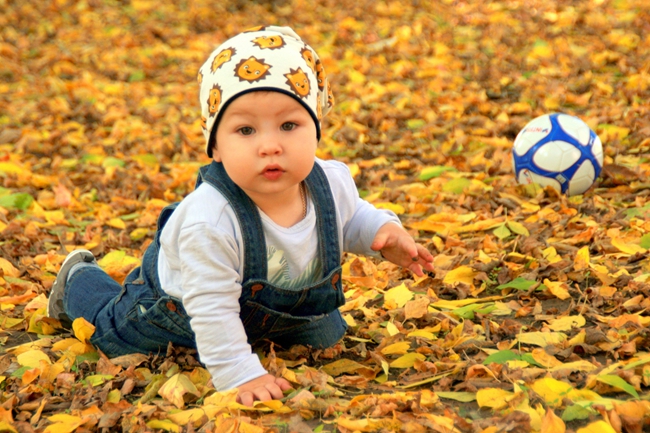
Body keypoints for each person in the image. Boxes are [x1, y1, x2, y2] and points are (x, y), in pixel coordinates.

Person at [48, 26, 434, 406]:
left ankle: (246, 341)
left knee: (328, 335)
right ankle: (78, 281)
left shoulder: (330, 181)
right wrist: (239, 372)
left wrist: (384, 233)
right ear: (215, 146)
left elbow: (350, 220)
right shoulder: (211, 219)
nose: (270, 145)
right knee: (111, 333)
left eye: (288, 125)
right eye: (246, 130)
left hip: (282, 311)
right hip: (177, 309)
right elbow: (211, 305)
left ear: (316, 129)